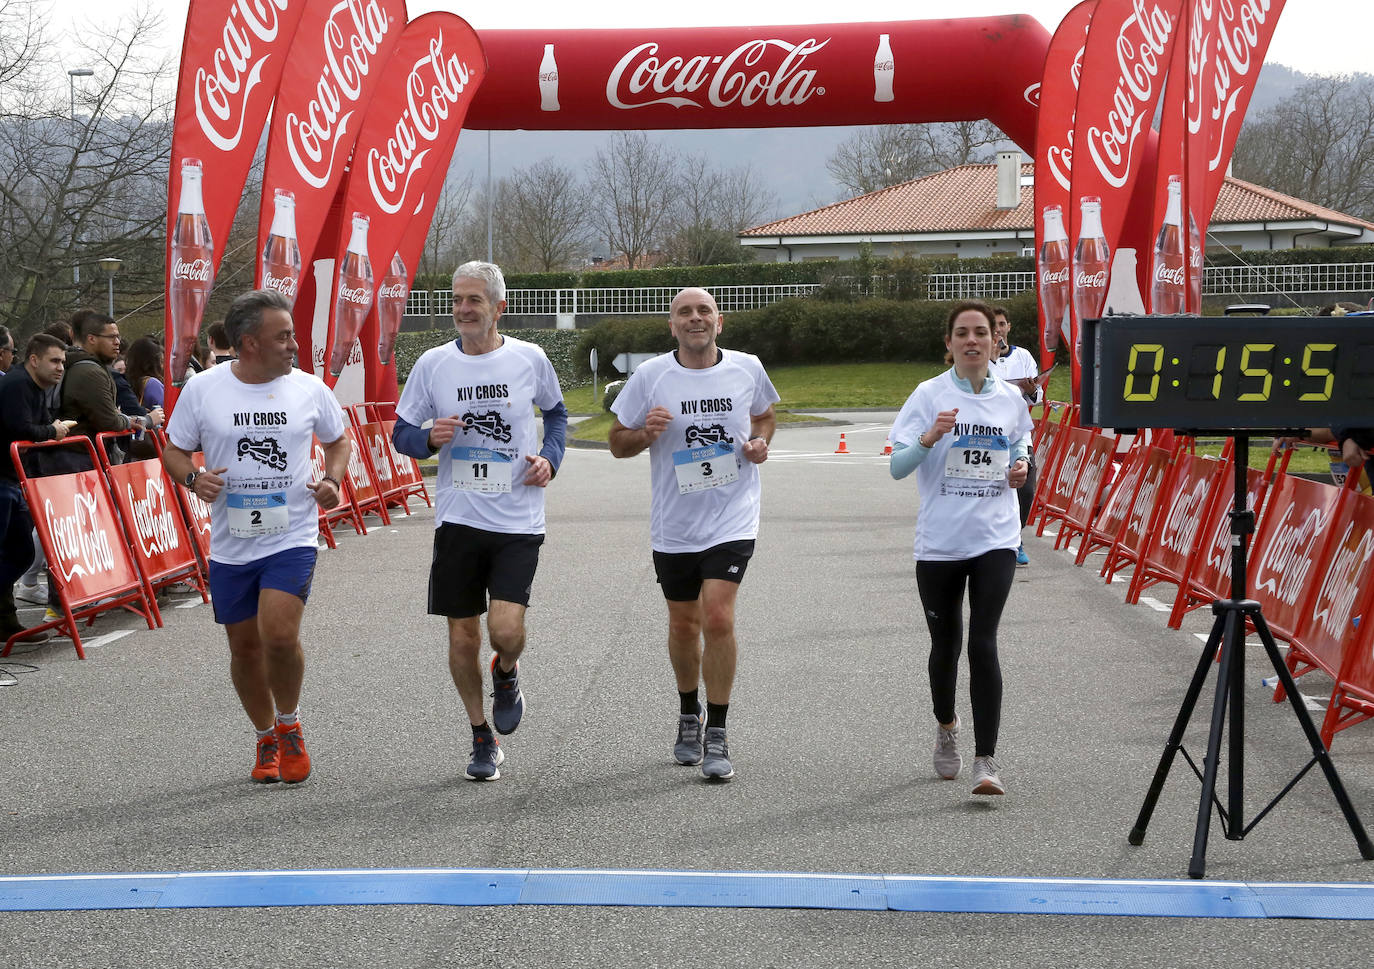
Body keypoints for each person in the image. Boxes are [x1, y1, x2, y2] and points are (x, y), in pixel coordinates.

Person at [163, 289, 351, 785]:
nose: (294, 345)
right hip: (231, 543)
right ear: (248, 344)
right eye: (283, 336)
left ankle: (290, 726)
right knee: (244, 649)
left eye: (293, 335)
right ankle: (265, 736)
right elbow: (175, 451)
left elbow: (338, 439)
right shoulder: (203, 390)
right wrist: (192, 478)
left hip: (290, 534)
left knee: (280, 634)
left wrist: (331, 480)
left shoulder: (309, 389)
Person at [390, 261, 568, 782]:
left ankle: (507, 670)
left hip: (517, 517)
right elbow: (401, 432)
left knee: (505, 629)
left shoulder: (529, 359)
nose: (464, 309)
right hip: (459, 518)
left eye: (475, 300)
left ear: (498, 307)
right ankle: (480, 735)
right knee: (463, 636)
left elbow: (556, 415)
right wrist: (427, 439)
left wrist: (551, 459)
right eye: (457, 299)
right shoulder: (432, 364)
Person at [607, 286, 779, 783]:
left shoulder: (747, 367)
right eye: (685, 312)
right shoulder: (651, 376)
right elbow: (617, 443)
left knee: (718, 617)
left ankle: (718, 730)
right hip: (675, 524)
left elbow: (765, 414)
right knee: (684, 625)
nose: (695, 318)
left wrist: (760, 443)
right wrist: (645, 434)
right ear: (673, 324)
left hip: (733, 515)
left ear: (719, 322)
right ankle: (689, 711)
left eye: (704, 310)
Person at [888, 299, 1033, 797]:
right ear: (948, 344)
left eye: (982, 333)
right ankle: (947, 726)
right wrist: (929, 438)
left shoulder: (1010, 399)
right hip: (940, 543)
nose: (973, 340)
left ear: (996, 342)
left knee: (983, 641)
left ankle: (986, 760)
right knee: (946, 645)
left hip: (994, 537)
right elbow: (898, 467)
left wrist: (1021, 468)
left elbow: (1020, 446)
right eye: (962, 333)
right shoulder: (928, 395)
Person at [0, 333, 70, 645]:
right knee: (13, 551)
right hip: (2, 480)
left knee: (21, 552)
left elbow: (39, 427)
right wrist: (53, 431)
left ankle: (5, 621)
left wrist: (52, 429)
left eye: (63, 363)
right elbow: (23, 430)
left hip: (14, 479)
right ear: (33, 359)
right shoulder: (16, 385)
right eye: (54, 361)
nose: (60, 368)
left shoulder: (39, 388)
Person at [60, 310, 163, 454]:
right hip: (78, 458)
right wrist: (147, 420)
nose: (117, 343)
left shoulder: (88, 367)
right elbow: (110, 421)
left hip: (81, 455)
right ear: (91, 339)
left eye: (118, 337)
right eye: (111, 337)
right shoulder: (90, 372)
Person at [986, 306, 1040, 566]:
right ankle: (991, 540)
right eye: (993, 325)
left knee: (1026, 489)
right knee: (992, 489)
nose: (998, 330)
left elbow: (1037, 396)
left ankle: (1015, 538)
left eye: (1001, 324)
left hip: (1018, 433)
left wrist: (1030, 389)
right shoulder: (981, 358)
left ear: (1009, 327)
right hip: (987, 436)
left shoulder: (1024, 356)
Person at [124, 336, 165, 410]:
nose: (163, 366)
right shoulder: (152, 384)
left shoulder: (125, 381)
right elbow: (167, 412)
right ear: (151, 363)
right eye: (161, 362)